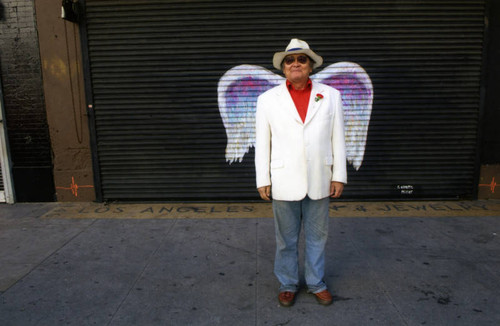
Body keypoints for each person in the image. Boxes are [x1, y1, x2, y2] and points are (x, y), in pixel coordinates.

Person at [255, 38, 347, 307]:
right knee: (286, 238)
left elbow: (337, 137)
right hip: (284, 179)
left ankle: (316, 283)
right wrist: (263, 179)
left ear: (311, 66)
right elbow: (263, 143)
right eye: (290, 60)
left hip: (320, 177)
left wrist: (339, 175)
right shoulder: (267, 99)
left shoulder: (331, 95)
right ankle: (287, 283)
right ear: (283, 68)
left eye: (301, 59)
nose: (295, 63)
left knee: (318, 236)